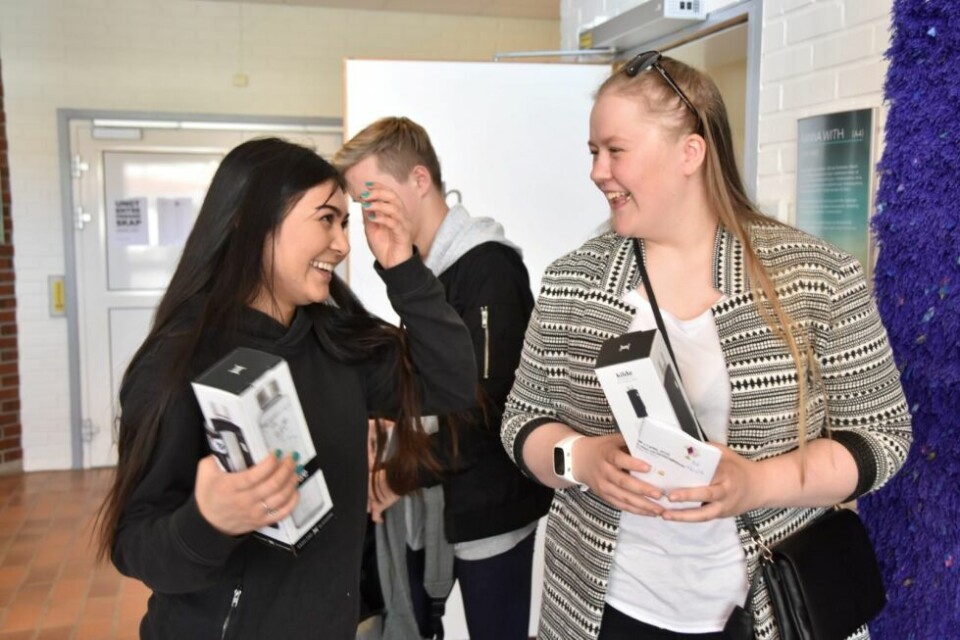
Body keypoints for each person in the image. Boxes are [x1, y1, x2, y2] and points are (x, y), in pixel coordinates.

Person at [501, 52, 913, 640]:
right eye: (593, 152)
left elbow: (883, 437)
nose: (597, 171)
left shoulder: (814, 278)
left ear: (689, 153)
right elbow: (522, 422)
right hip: (604, 607)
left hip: (771, 607)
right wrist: (580, 459)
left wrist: (757, 484)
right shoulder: (574, 281)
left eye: (615, 151)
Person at [94, 137, 478, 640]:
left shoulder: (337, 342)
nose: (342, 244)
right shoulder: (177, 361)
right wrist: (208, 521)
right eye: (325, 219)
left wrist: (404, 270)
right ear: (250, 225)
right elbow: (135, 544)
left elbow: (451, 383)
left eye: (345, 222)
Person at [333, 117, 554, 640]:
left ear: (418, 179)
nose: (368, 218)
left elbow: (481, 411)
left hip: (489, 510)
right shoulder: (423, 271)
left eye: (375, 199)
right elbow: (428, 390)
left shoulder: (489, 270)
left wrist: (398, 476)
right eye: (361, 206)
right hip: (442, 500)